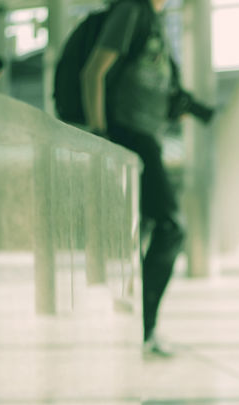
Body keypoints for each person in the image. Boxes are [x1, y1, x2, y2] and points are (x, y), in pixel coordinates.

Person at [80, 0, 184, 357]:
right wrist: (100, 135)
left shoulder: (154, 18)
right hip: (128, 134)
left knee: (138, 232)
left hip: (143, 134)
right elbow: (93, 71)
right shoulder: (132, 10)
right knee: (170, 227)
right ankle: (142, 327)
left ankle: (135, 324)